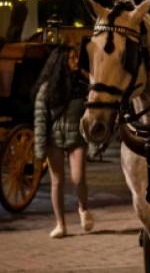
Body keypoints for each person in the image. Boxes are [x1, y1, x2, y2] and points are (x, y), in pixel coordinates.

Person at [34, 46, 94, 239]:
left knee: (78, 178)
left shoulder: (83, 84)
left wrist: (89, 76)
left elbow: (94, 109)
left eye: (76, 57)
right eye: (71, 58)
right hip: (54, 140)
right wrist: (40, 150)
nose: (76, 61)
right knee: (57, 181)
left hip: (77, 138)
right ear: (60, 63)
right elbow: (40, 120)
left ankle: (83, 208)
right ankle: (61, 224)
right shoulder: (47, 89)